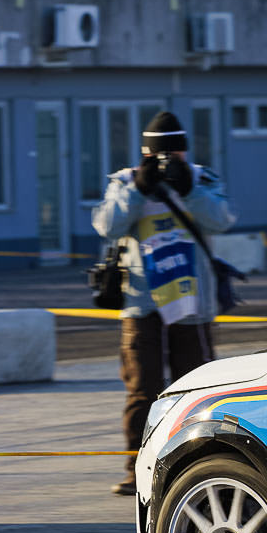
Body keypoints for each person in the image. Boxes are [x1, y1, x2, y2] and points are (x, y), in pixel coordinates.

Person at [93, 112, 235, 495]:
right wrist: (139, 188)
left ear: (185, 152)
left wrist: (188, 188)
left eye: (174, 153)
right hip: (142, 304)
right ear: (144, 154)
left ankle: (198, 463)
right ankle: (135, 470)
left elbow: (222, 220)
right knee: (142, 390)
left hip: (191, 302)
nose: (166, 160)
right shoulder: (125, 182)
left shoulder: (202, 179)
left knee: (197, 388)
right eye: (158, 154)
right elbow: (106, 225)